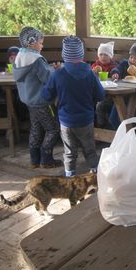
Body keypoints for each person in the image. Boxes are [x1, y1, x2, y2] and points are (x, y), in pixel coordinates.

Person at [42, 36, 105, 177]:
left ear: (64, 54)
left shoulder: (57, 74)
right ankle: (96, 175)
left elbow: (46, 96)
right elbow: (101, 96)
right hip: (86, 120)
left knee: (69, 152)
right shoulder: (90, 73)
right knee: (89, 149)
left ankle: (70, 178)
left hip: (66, 121)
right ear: (81, 54)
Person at [13, 26, 62, 169]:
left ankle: (34, 160)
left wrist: (50, 67)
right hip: (42, 102)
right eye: (41, 42)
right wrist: (57, 70)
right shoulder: (36, 59)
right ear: (32, 42)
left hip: (29, 101)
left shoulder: (20, 57)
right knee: (53, 129)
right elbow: (48, 78)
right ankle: (46, 159)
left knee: (36, 129)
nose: (42, 45)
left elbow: (37, 74)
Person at [109, 41, 136, 129]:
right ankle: (119, 134)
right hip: (121, 96)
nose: (132, 60)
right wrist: (115, 73)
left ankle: (128, 135)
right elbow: (117, 69)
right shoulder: (124, 64)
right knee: (113, 118)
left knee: (131, 117)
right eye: (131, 57)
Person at [92, 41, 118, 129]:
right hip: (96, 93)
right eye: (101, 54)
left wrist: (115, 75)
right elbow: (88, 77)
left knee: (100, 106)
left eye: (106, 55)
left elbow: (116, 74)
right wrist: (92, 73)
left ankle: (100, 127)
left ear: (110, 56)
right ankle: (92, 127)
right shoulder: (95, 66)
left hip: (109, 95)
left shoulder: (114, 66)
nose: (103, 57)